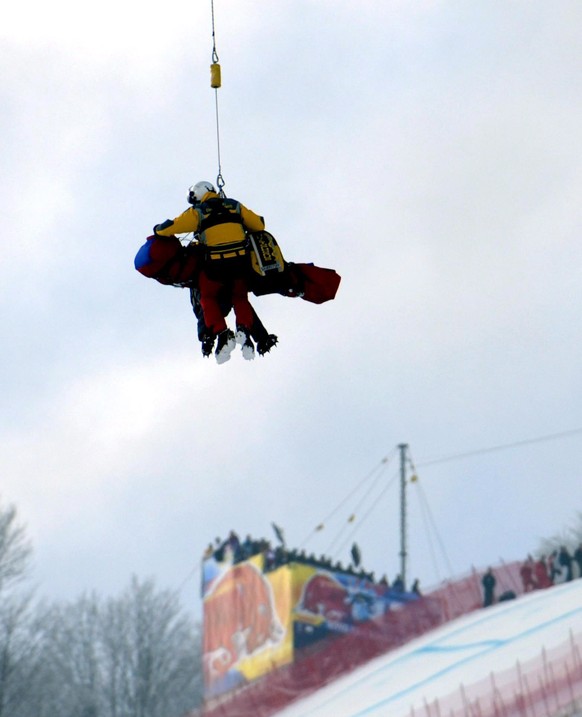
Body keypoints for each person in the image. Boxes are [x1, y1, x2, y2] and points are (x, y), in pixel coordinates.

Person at [154, 181, 266, 363]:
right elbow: (259, 225)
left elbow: (169, 228)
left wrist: (158, 230)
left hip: (215, 265)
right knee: (240, 298)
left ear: (197, 195)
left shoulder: (198, 212)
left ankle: (222, 333)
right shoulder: (234, 205)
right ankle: (244, 330)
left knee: (208, 298)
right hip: (240, 263)